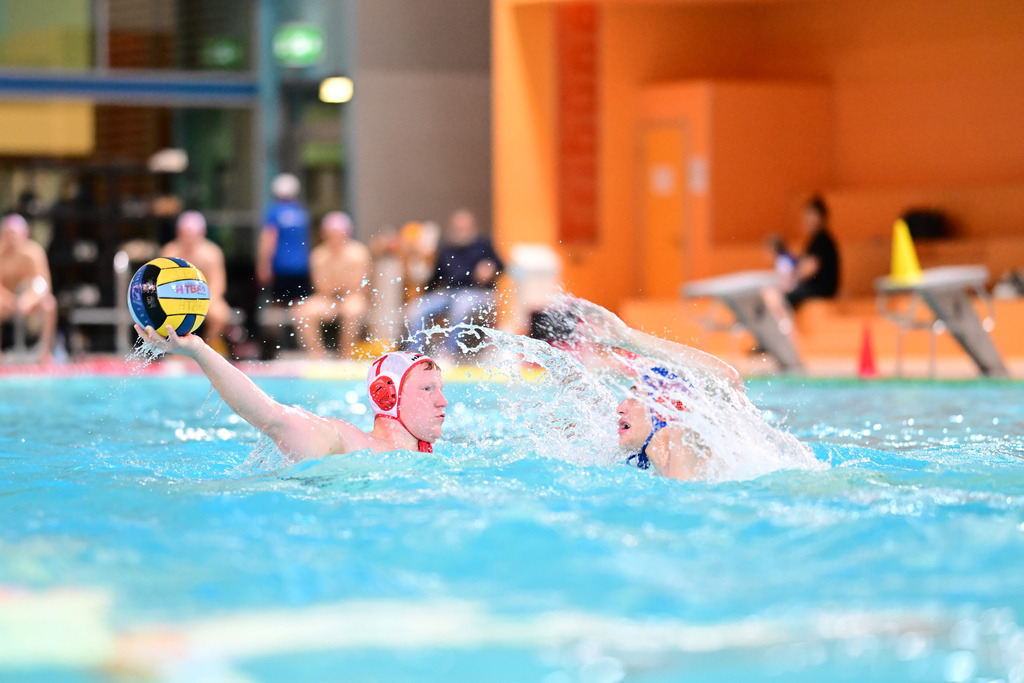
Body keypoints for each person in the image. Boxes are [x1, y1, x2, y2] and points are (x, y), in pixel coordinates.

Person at [135, 323, 448, 458]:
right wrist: (200, 351)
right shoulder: (347, 441)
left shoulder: (434, 460)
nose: (443, 401)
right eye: (427, 388)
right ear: (386, 395)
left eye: (441, 389)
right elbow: (272, 418)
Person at [539, 298, 744, 481]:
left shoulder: (686, 440)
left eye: (635, 396)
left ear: (670, 407)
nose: (620, 408)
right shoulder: (663, 470)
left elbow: (727, 380)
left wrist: (627, 339)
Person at [404, 209, 503, 357]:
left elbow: (501, 266)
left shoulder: (483, 245)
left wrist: (490, 268)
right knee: (418, 309)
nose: (461, 231)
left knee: (461, 306)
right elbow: (434, 278)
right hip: (450, 293)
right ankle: (414, 352)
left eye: (464, 227)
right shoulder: (446, 249)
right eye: (458, 228)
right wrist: (422, 297)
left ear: (473, 227)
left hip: (477, 292)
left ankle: (450, 352)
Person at [297, 211, 371, 358]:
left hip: (352, 297)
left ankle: (346, 355)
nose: (335, 238)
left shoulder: (359, 253)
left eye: (338, 233)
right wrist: (338, 289)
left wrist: (337, 288)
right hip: (327, 298)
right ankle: (317, 356)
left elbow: (358, 286)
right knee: (302, 312)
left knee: (352, 311)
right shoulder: (318, 255)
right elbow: (320, 286)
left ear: (347, 233)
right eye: (331, 234)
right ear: (324, 234)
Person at [160, 211, 231, 355]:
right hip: (177, 299)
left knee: (220, 313)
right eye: (186, 234)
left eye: (193, 234)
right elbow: (161, 284)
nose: (189, 238)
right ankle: (175, 352)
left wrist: (203, 302)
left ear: (202, 233)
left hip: (205, 298)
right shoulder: (170, 252)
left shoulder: (212, 253)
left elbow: (219, 285)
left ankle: (208, 348)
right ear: (178, 233)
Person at [256, 173, 311, 358]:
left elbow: (268, 240)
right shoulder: (302, 213)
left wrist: (263, 264)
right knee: (299, 307)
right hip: (300, 267)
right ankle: (304, 347)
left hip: (280, 267)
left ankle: (269, 348)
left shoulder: (274, 212)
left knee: (276, 307)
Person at [0, 213, 57, 363]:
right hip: (7, 301)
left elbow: (43, 285)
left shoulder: (34, 253)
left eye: (14, 235)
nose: (11, 239)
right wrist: (11, 301)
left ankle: (45, 354)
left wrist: (28, 300)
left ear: (24, 235)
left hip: (29, 300)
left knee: (49, 305)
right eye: (7, 234)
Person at [786, 195, 840, 310]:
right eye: (806, 215)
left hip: (821, 290)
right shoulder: (814, 240)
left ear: (821, 217)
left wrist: (791, 280)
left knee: (785, 297)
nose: (807, 219)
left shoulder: (822, 240)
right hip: (816, 288)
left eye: (811, 215)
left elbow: (810, 268)